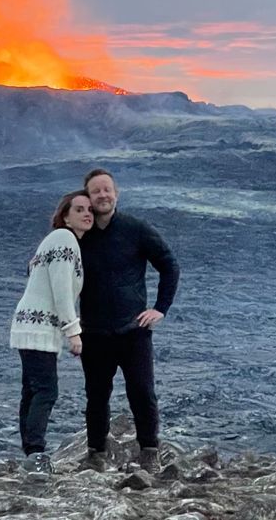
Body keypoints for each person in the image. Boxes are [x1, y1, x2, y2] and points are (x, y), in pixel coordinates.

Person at [78, 168, 180, 473]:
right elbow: (53, 266)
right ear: (88, 197)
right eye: (96, 191)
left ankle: (149, 450)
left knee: (141, 391)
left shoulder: (136, 228)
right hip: (94, 333)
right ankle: (95, 453)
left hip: (133, 331)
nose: (102, 195)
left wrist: (161, 308)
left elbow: (169, 265)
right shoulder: (77, 235)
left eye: (107, 189)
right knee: (96, 395)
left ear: (116, 193)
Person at [9, 190, 94, 474]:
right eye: (79, 209)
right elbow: (61, 289)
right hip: (39, 325)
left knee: (32, 390)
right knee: (46, 390)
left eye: (89, 210)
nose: (87, 214)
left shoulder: (56, 241)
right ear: (65, 216)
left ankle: (30, 452)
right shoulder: (64, 239)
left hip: (30, 324)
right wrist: (73, 331)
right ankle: (35, 454)